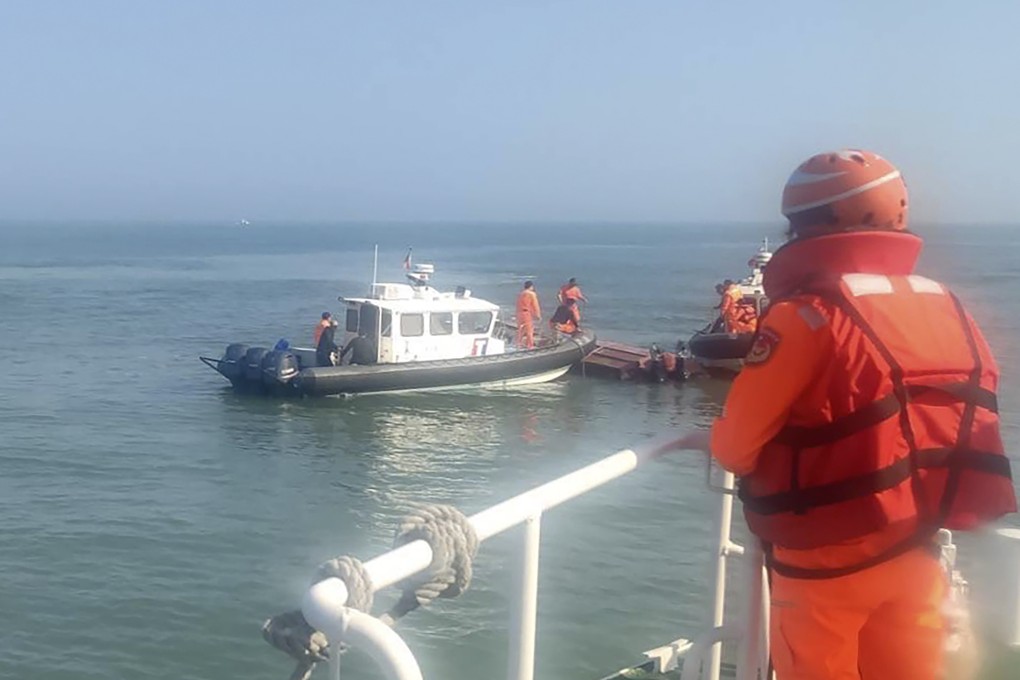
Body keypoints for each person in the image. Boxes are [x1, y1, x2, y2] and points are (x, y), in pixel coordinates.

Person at [676, 149, 1015, 680]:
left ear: (811, 227)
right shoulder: (945, 303)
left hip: (823, 562)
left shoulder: (804, 317)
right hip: (918, 544)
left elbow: (735, 448)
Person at [515, 280, 542, 349]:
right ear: (531, 286)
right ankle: (530, 345)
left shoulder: (521, 294)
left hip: (519, 313)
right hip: (526, 313)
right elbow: (535, 305)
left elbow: (517, 304)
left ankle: (518, 343)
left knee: (520, 329)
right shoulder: (532, 294)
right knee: (529, 330)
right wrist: (538, 315)